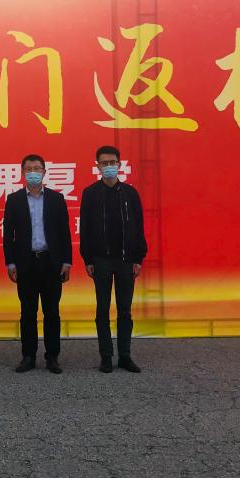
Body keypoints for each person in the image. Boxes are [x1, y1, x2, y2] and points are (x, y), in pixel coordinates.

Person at [79, 145, 147, 373]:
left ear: (119, 164)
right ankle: (106, 356)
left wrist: (138, 258)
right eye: (104, 163)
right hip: (100, 260)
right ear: (97, 166)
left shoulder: (130, 193)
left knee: (125, 310)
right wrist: (88, 259)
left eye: (113, 163)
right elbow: (85, 229)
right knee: (102, 310)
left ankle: (125, 355)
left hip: (126, 260)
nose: (109, 166)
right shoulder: (90, 193)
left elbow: (139, 227)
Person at [2, 153, 72, 374]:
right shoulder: (14, 200)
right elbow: (8, 235)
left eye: (37, 168)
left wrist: (67, 261)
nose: (33, 172)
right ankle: (28, 356)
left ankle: (52, 356)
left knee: (52, 312)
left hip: (51, 262)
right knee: (28, 312)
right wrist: (10, 263)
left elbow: (64, 232)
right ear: (23, 173)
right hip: (26, 263)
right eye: (29, 169)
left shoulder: (56, 199)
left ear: (44, 172)